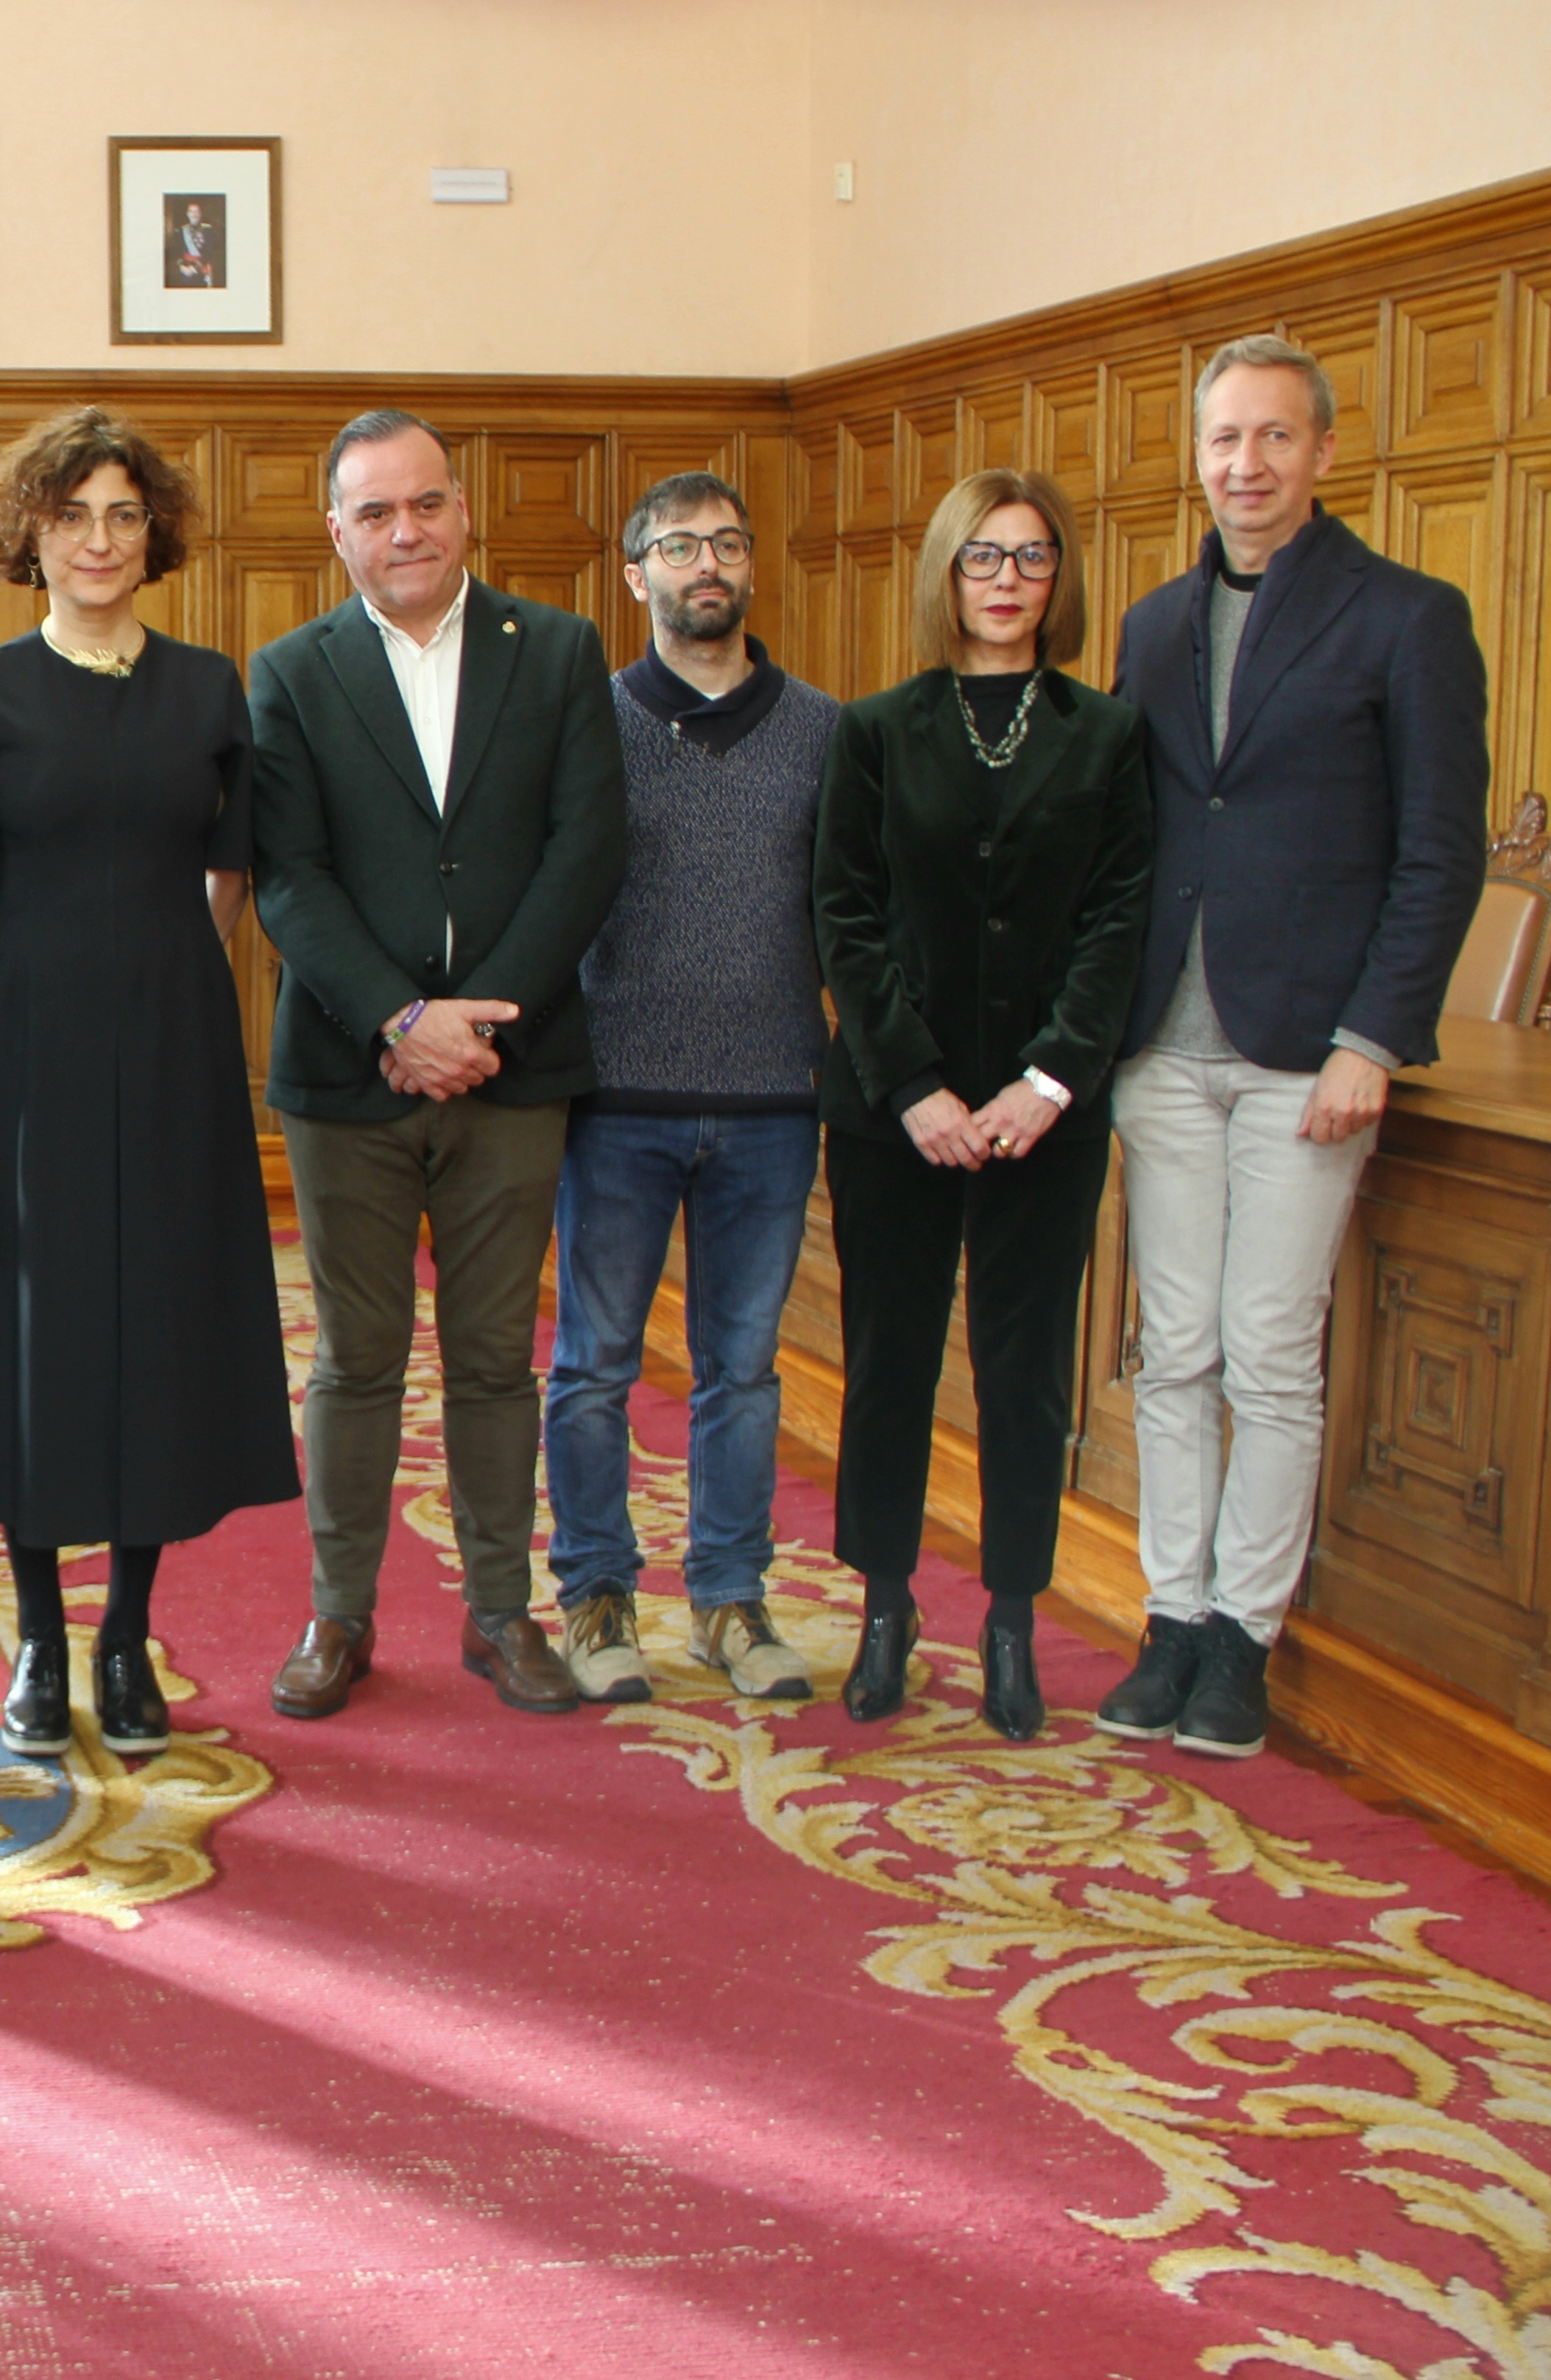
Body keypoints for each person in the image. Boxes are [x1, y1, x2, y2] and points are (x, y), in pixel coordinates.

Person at [0, 407, 294, 1758]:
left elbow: (235, 872)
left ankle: (129, 1639)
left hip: (175, 1034)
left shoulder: (208, 686)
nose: (100, 539)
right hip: (22, 1040)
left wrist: (171, 969)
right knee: (38, 1334)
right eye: (73, 517)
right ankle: (43, 1638)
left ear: (151, 532)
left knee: (155, 1324)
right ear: (33, 537)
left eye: (122, 515)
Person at [1100, 334, 1487, 1758]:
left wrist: (1376, 1036)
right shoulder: (1149, 626)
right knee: (1172, 1349)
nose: (1245, 466)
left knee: (1268, 1351)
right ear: (1195, 458)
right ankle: (1170, 1612)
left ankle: (1242, 1642)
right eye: (1222, 441)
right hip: (1165, 1046)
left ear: (1325, 452)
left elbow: (1439, 856)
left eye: (1273, 438)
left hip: (1305, 1057)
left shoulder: (1409, 617)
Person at [247, 409, 627, 1721]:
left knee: (493, 1356)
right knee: (354, 1357)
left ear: (464, 510)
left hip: (514, 1074)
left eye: (426, 504)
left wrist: (481, 1024)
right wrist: (401, 1020)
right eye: (376, 512)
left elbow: (588, 848)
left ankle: (500, 1615)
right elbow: (288, 878)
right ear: (337, 531)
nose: (405, 531)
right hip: (351, 1076)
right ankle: (337, 1615)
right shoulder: (291, 671)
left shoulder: (562, 649)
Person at [815, 468, 1152, 1740]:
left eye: (1032, 558)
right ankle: (884, 1607)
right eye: (984, 557)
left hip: (1043, 1115)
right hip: (896, 1109)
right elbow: (845, 914)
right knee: (888, 1362)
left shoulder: (1107, 734)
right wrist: (915, 1086)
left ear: (1057, 581)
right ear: (946, 574)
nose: (1008, 580)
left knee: (1024, 1375)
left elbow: (1118, 916)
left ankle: (1011, 1619)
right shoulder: (877, 728)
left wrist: (1047, 1079)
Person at [543, 472, 837, 1705]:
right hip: (619, 1098)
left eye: (726, 541)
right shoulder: (588, 723)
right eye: (676, 546)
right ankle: (597, 1593)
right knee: (596, 1362)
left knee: (744, 1369)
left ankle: (730, 1597)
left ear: (752, 565)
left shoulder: (826, 728)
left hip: (774, 1098)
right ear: (635, 574)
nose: (703, 564)